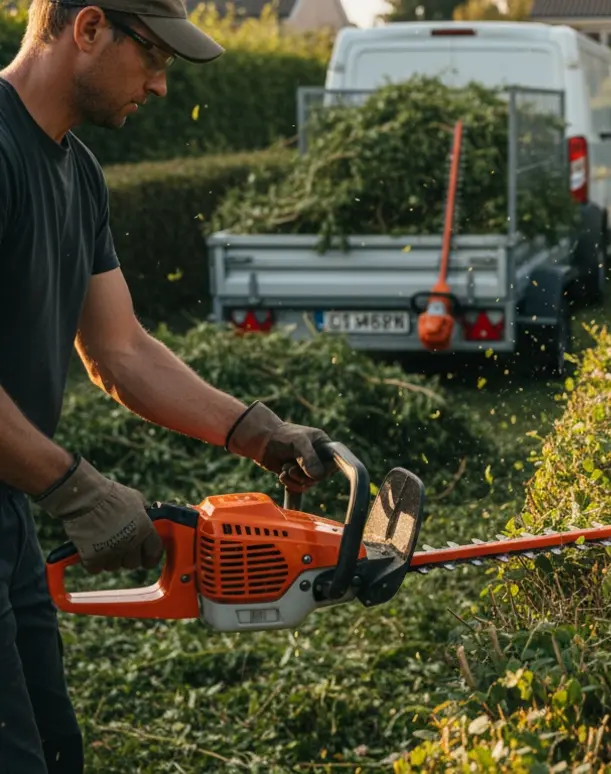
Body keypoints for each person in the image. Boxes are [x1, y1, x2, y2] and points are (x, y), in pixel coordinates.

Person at [0, 1, 337, 771]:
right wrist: (76, 489)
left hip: (8, 510)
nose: (158, 86)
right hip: (27, 488)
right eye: (152, 58)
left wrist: (254, 430)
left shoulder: (77, 172)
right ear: (87, 30)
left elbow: (118, 350)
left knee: (54, 750)